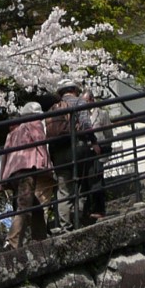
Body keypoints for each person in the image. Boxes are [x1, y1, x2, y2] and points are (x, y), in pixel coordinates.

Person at [0, 103, 55, 249]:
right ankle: (12, 242)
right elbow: (40, 143)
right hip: (27, 169)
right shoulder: (34, 124)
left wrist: (2, 180)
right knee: (23, 206)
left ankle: (40, 237)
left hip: (13, 173)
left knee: (35, 207)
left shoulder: (14, 132)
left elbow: (5, 155)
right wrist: (48, 167)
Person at [44, 82, 85, 231]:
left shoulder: (51, 109)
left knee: (63, 190)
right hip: (73, 148)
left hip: (56, 152)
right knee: (80, 184)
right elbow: (85, 124)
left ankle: (64, 225)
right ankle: (78, 219)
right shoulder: (79, 102)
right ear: (74, 90)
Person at [76, 91, 111, 223]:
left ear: (92, 100)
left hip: (98, 152)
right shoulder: (80, 115)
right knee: (87, 182)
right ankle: (89, 211)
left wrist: (104, 149)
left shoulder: (102, 114)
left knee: (97, 180)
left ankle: (99, 210)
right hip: (85, 153)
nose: (84, 104)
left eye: (86, 101)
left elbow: (108, 134)